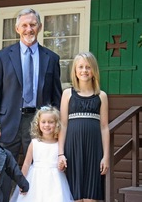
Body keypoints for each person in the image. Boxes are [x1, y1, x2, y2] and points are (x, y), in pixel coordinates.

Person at [0, 8, 62, 201]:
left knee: (37, 172)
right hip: (7, 122)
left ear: (40, 27)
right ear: (17, 28)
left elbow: (56, 98)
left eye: (33, 25)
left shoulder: (51, 58)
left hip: (38, 125)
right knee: (2, 172)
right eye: (25, 25)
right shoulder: (3, 56)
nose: (29, 29)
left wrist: (58, 130)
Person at [58, 52, 110, 202]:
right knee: (73, 194)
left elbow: (104, 127)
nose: (84, 70)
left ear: (94, 71)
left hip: (94, 148)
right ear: (75, 71)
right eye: (80, 67)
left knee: (91, 194)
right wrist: (61, 153)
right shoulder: (67, 94)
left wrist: (105, 156)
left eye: (88, 67)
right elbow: (63, 124)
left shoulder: (101, 96)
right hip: (72, 147)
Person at [9, 105, 73, 202]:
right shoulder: (34, 143)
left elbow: (63, 165)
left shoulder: (59, 145)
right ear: (38, 124)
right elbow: (26, 164)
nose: (46, 125)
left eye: (51, 122)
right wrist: (21, 182)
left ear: (57, 124)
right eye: (43, 122)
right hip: (36, 180)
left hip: (55, 181)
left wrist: (62, 166)